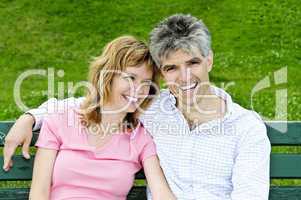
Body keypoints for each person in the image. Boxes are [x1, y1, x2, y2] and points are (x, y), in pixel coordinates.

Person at [4, 14, 271, 200]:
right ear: (163, 74)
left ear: (209, 60)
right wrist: (30, 116)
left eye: (193, 63)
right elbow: (91, 103)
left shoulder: (245, 127)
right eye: (171, 68)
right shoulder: (152, 105)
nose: (185, 76)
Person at [23, 36, 175, 199]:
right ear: (107, 77)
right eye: (130, 78)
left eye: (146, 82)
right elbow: (39, 192)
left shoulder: (140, 138)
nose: (138, 90)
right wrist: (28, 118)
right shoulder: (60, 120)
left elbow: (161, 192)